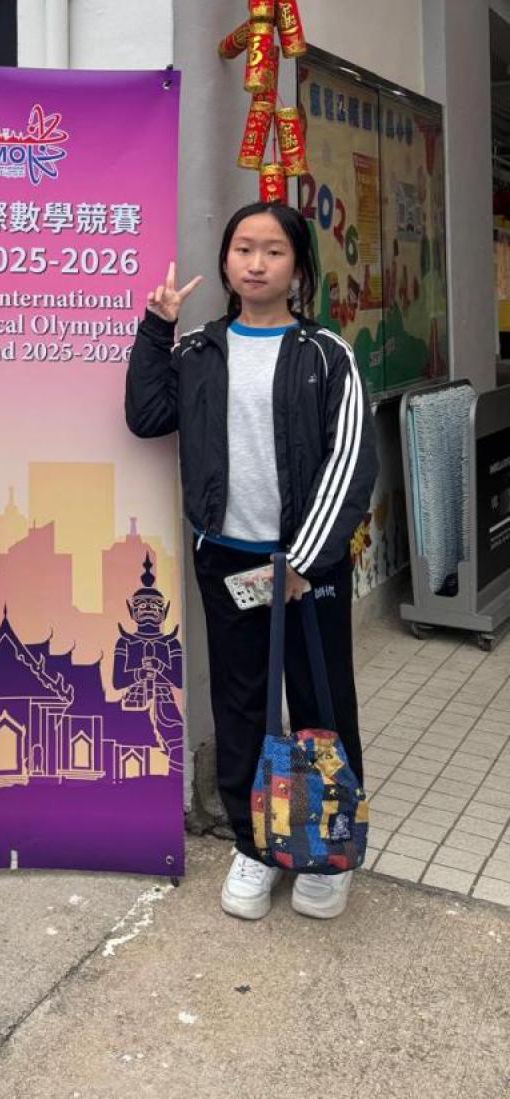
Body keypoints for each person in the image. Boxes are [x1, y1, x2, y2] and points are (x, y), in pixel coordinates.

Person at [124, 201, 377, 923]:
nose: (256, 263)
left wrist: (304, 559)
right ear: (226, 260)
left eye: (272, 251)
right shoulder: (198, 350)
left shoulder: (326, 353)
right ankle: (254, 843)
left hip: (306, 568)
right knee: (239, 703)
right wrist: (156, 328)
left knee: (321, 702)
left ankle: (327, 848)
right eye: (243, 249)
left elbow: (351, 461)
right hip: (227, 557)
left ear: (297, 268)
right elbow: (147, 416)